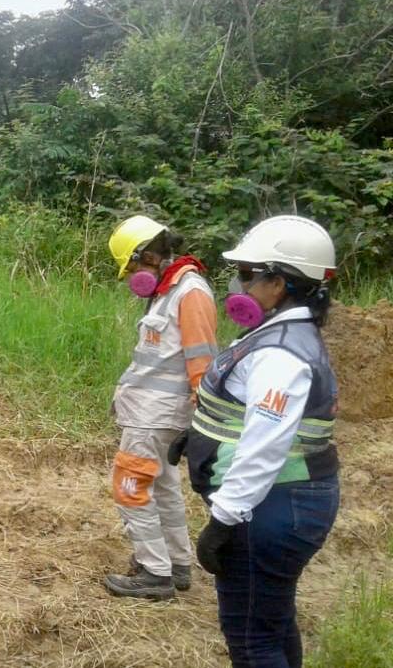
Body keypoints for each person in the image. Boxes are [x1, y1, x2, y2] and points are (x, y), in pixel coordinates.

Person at [186, 215, 340, 668]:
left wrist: (224, 519)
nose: (238, 283)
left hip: (271, 508)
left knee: (253, 639)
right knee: (271, 624)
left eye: (249, 274)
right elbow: (248, 415)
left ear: (281, 283)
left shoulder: (279, 352)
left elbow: (265, 447)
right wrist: (195, 435)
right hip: (282, 503)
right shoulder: (279, 333)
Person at [103, 215, 218, 600]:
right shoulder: (170, 291)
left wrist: (203, 407)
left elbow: (202, 353)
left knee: (130, 486)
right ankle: (176, 563)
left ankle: (154, 573)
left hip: (158, 415)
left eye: (133, 266)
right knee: (164, 486)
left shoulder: (190, 292)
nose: (133, 277)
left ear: (149, 255)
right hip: (151, 412)